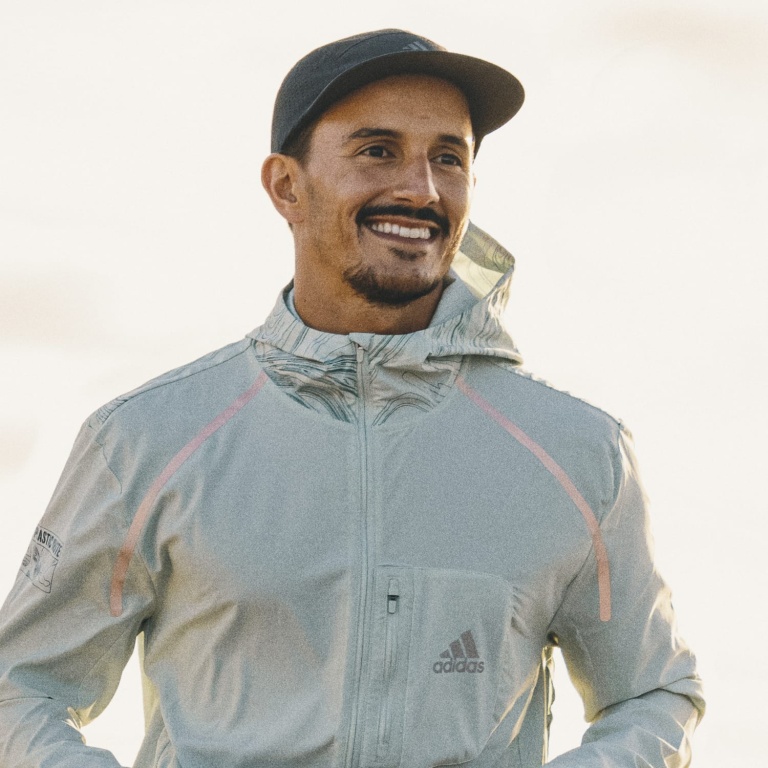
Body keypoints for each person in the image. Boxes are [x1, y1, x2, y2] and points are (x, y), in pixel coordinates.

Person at [0, 29, 704, 768]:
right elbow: (22, 686)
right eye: (377, 150)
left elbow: (653, 693)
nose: (421, 189)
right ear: (286, 186)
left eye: (448, 158)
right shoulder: (146, 439)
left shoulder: (578, 452)